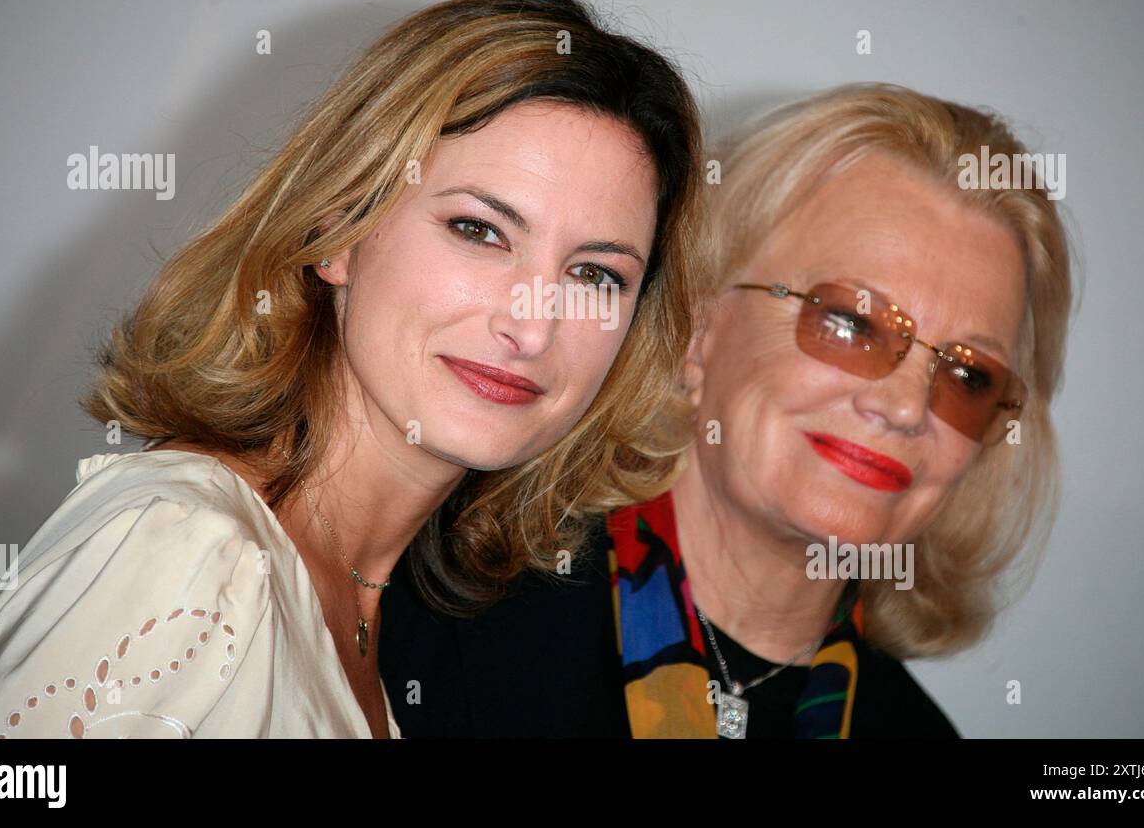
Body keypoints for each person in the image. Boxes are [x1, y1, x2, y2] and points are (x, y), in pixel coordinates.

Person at [0, 0, 709, 738]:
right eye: (480, 232)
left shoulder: (381, 610)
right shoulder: (186, 550)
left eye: (595, 274)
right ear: (337, 227)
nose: (532, 328)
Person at [380, 82, 1079, 738]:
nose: (903, 406)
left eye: (967, 375)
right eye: (851, 324)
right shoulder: (431, 602)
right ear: (697, 328)